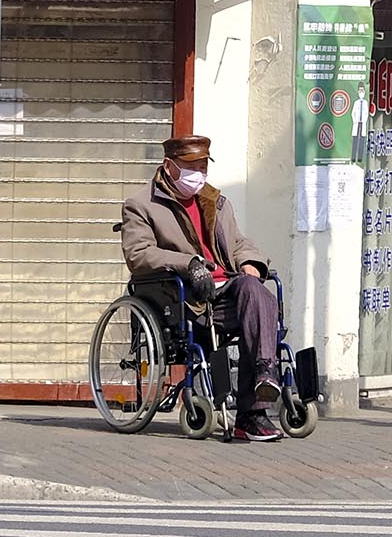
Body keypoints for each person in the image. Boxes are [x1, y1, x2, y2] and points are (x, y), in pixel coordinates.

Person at [119, 133, 283, 443]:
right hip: (185, 298)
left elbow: (237, 243)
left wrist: (251, 262)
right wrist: (188, 263)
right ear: (169, 166)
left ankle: (265, 375)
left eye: (204, 166)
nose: (200, 174)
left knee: (257, 291)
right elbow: (139, 254)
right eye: (192, 166)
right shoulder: (141, 205)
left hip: (226, 290)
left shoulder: (215, 202)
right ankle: (252, 414)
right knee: (258, 306)